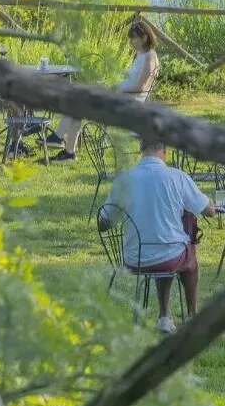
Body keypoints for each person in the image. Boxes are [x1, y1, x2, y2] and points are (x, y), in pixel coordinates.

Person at [99, 133, 214, 330]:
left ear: (140, 149)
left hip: (134, 257)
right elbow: (209, 211)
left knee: (168, 245)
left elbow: (104, 223)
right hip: (169, 255)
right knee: (188, 257)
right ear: (165, 150)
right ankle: (191, 316)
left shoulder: (123, 180)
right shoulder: (177, 177)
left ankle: (165, 316)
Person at [54, 18, 160, 159]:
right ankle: (66, 148)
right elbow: (132, 81)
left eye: (134, 39)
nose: (131, 42)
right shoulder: (142, 55)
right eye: (130, 39)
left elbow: (140, 87)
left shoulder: (149, 57)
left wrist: (115, 90)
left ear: (145, 37)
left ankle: (60, 141)